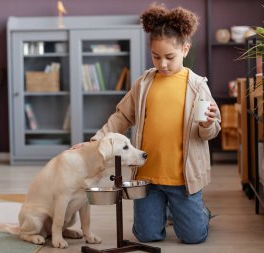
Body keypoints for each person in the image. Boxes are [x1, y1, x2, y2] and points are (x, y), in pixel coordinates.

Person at [89, 4, 221, 244]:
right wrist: (97, 140)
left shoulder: (197, 85)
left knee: (194, 237)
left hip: (183, 179)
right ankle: (167, 212)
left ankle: (199, 212)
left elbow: (211, 131)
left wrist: (207, 124)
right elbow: (122, 116)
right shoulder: (144, 83)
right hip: (148, 177)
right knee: (147, 236)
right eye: (156, 56)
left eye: (170, 57)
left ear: (185, 49)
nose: (162, 63)